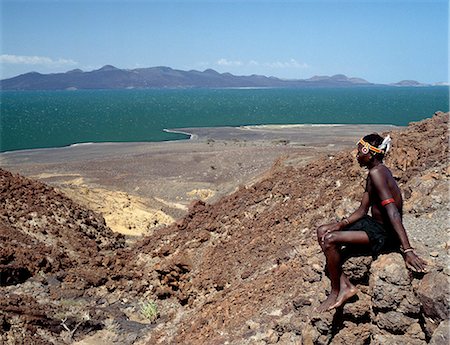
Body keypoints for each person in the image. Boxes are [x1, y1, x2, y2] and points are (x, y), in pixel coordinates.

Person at [315, 133, 427, 312]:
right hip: (374, 225)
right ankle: (345, 285)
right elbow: (361, 210)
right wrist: (340, 224)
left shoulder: (377, 174)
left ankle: (336, 290)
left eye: (360, 152)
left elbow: (393, 212)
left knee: (330, 240)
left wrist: (407, 249)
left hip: (384, 235)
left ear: (371, 154)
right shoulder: (374, 172)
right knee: (322, 230)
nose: (357, 156)